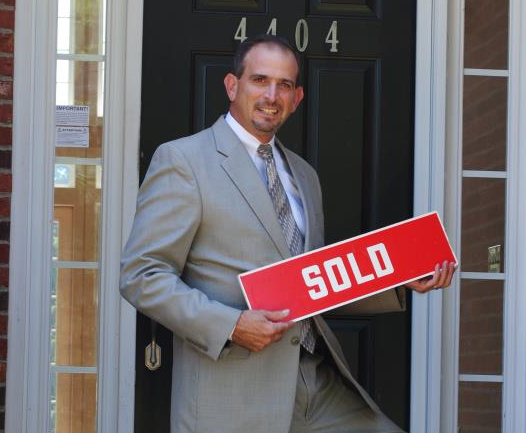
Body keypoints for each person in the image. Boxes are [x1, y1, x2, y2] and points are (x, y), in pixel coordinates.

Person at [120, 34, 456, 433]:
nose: (271, 95)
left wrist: (399, 277)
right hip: (233, 389)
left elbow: (314, 284)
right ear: (232, 85)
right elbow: (142, 275)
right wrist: (231, 325)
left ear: (297, 98)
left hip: (317, 382)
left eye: (284, 85)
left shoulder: (304, 175)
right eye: (260, 80)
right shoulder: (184, 160)